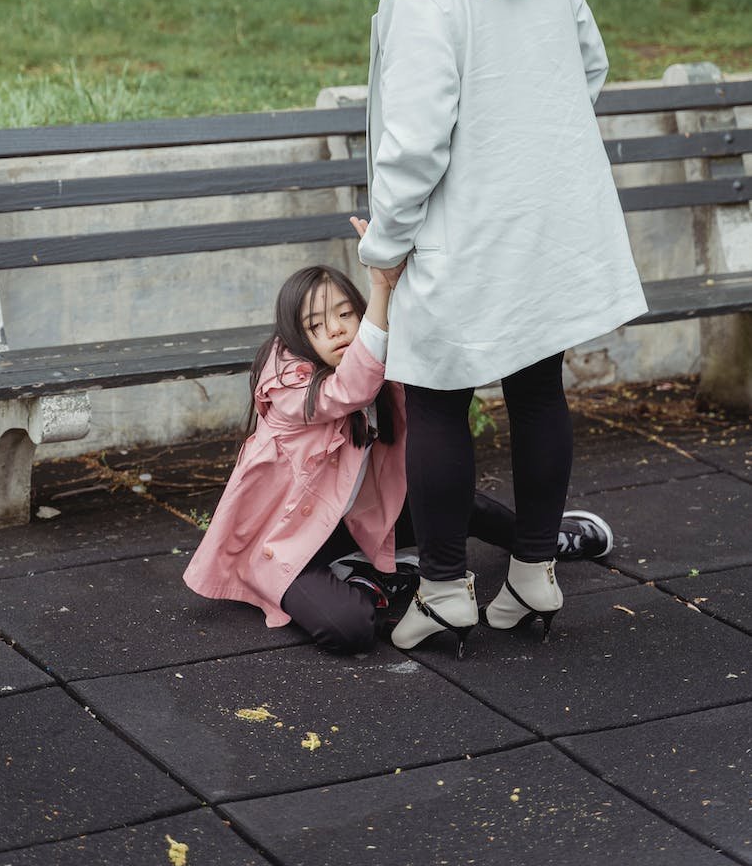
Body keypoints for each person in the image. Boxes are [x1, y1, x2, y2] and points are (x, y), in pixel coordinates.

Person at [355, 0, 646, 656]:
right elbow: (588, 68)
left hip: (464, 228)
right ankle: (530, 571)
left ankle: (444, 587)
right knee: (535, 386)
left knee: (436, 397)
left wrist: (384, 247)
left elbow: (411, 145)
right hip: (544, 219)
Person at [183, 246, 616, 656]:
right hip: (290, 543)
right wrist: (381, 288)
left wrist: (402, 272)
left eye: (344, 314)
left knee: (457, 506)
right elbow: (349, 389)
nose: (335, 329)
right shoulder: (289, 386)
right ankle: (366, 579)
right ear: (296, 337)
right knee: (352, 629)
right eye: (316, 325)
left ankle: (545, 542)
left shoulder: (376, 365)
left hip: (351, 521)